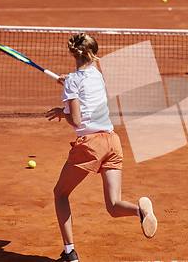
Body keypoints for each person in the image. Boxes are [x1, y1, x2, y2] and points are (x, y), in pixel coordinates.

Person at [45, 33, 157, 262]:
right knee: (114, 206)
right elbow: (82, 82)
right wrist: (69, 81)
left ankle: (70, 254)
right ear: (93, 55)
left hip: (91, 145)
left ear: (73, 53)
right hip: (112, 141)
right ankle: (140, 211)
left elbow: (76, 121)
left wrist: (61, 111)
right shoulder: (97, 75)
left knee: (60, 194)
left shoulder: (72, 81)